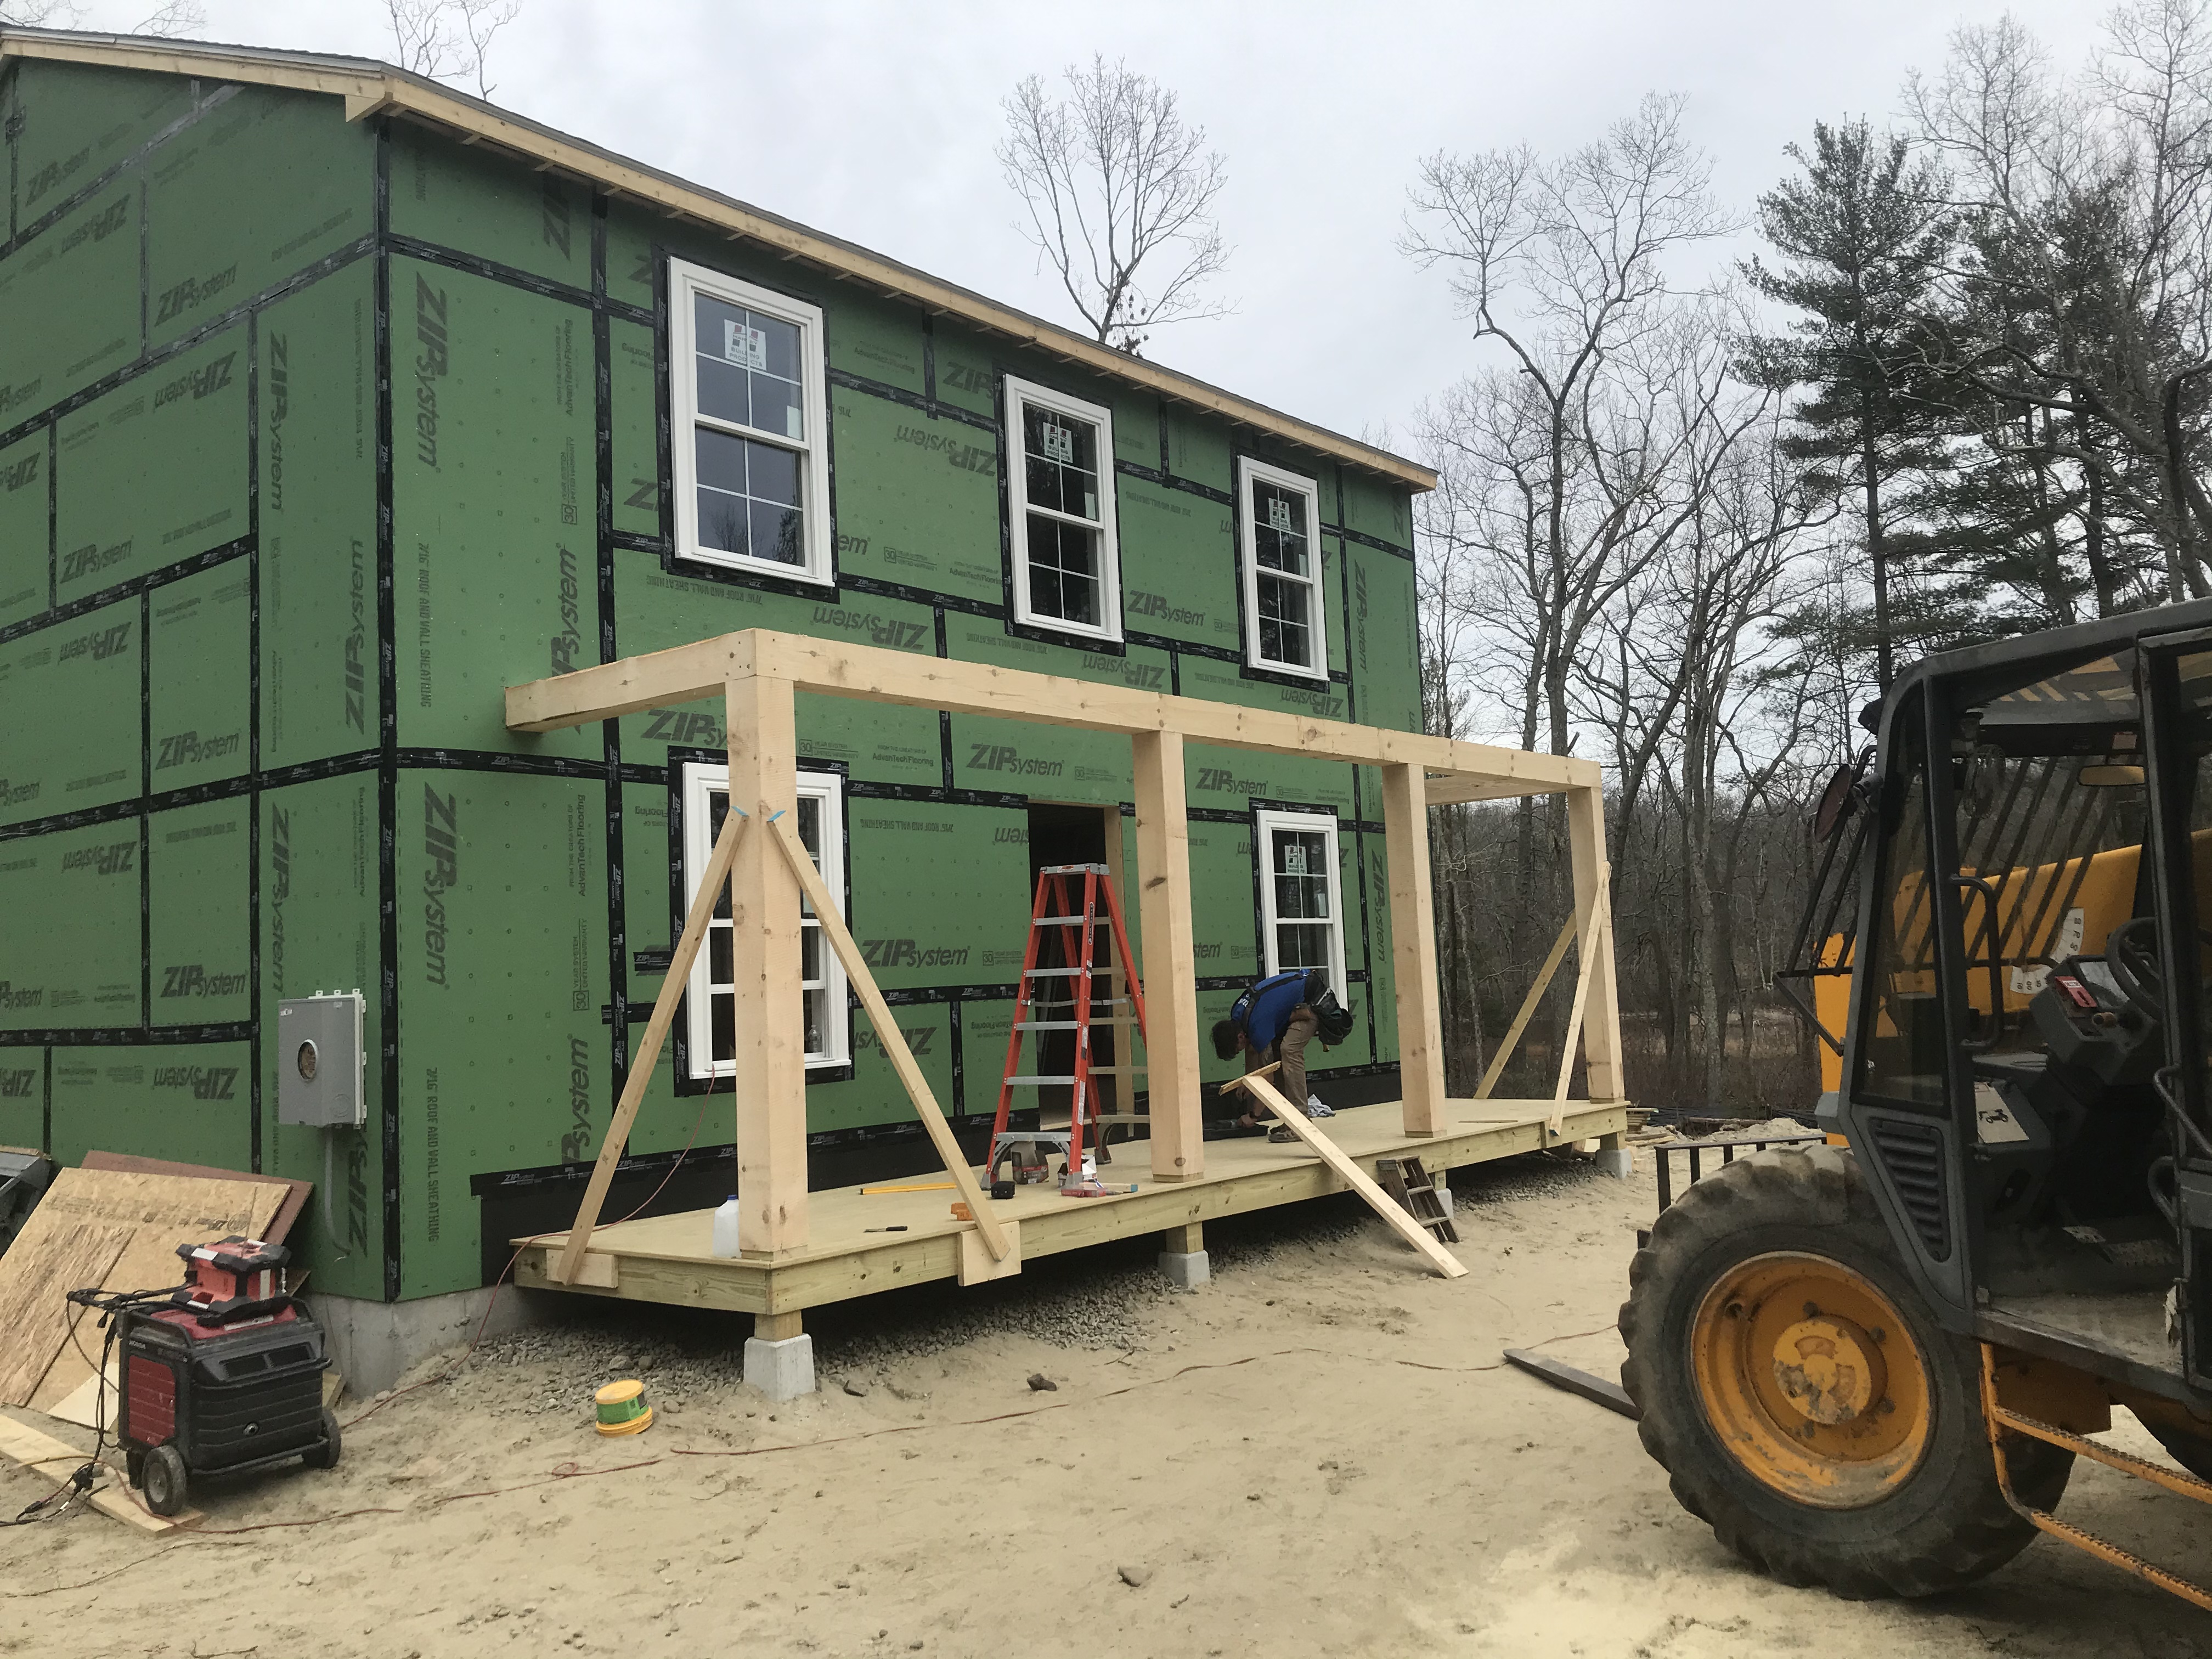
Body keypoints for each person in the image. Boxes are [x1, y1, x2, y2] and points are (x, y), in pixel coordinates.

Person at [1213, 969, 1323, 1141]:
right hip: (1296, 1000)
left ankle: (1301, 1124)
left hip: (1313, 1001)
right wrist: (1247, 1081)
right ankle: (1291, 1121)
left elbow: (1267, 1079)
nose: (1240, 1051)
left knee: (1289, 1050)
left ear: (1240, 1037)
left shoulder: (1257, 1025)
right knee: (1278, 1056)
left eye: (1237, 1049)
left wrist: (1253, 1116)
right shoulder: (1238, 1015)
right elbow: (1251, 1050)